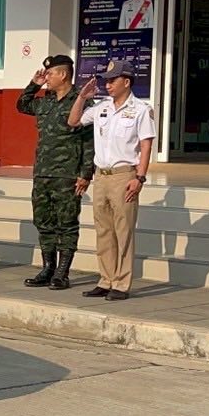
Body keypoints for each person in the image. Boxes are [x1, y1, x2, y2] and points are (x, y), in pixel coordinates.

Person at [68, 59, 156, 301]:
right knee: (104, 231)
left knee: (123, 231)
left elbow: (146, 146)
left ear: (126, 82)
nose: (108, 85)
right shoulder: (102, 107)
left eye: (112, 80)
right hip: (101, 176)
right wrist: (82, 97)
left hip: (124, 175)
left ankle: (122, 283)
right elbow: (73, 121)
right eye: (106, 81)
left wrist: (140, 177)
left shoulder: (140, 109)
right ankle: (106, 280)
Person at [16, 54, 94, 289]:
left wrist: (85, 174)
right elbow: (22, 105)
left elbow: (89, 141)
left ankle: (62, 272)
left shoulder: (81, 101)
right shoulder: (46, 102)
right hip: (43, 172)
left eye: (50, 73)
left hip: (67, 174)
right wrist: (34, 84)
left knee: (67, 223)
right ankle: (48, 267)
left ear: (63, 74)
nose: (46, 77)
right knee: (43, 221)